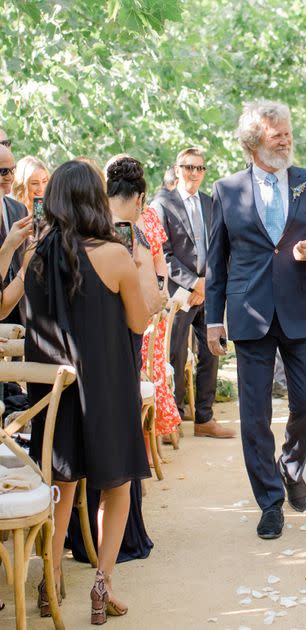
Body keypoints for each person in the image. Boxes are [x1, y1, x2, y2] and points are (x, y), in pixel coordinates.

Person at [22, 160, 154, 623]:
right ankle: (103, 585)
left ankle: (50, 580)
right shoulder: (116, 254)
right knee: (116, 489)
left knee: (61, 487)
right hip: (107, 391)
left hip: (54, 398)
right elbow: (138, 322)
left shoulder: (36, 257)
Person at [205, 100, 306, 539]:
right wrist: (212, 319)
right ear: (252, 141)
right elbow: (217, 261)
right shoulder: (226, 191)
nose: (285, 137)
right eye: (275, 132)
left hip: (302, 309)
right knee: (254, 416)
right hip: (249, 314)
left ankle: (292, 464)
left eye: (287, 130)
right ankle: (269, 500)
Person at [153, 148, 233, 438]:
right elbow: (163, 253)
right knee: (174, 354)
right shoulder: (163, 203)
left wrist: (207, 283)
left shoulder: (211, 203)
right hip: (178, 295)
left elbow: (220, 248)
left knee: (212, 352)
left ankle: (204, 418)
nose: (194, 173)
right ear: (177, 169)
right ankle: (172, 420)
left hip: (208, 291)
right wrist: (192, 283)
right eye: (188, 167)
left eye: (199, 168)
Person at [0, 144, 28, 324]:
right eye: (3, 171)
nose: (10, 176)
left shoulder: (19, 209)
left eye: (13, 170)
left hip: (19, 309)